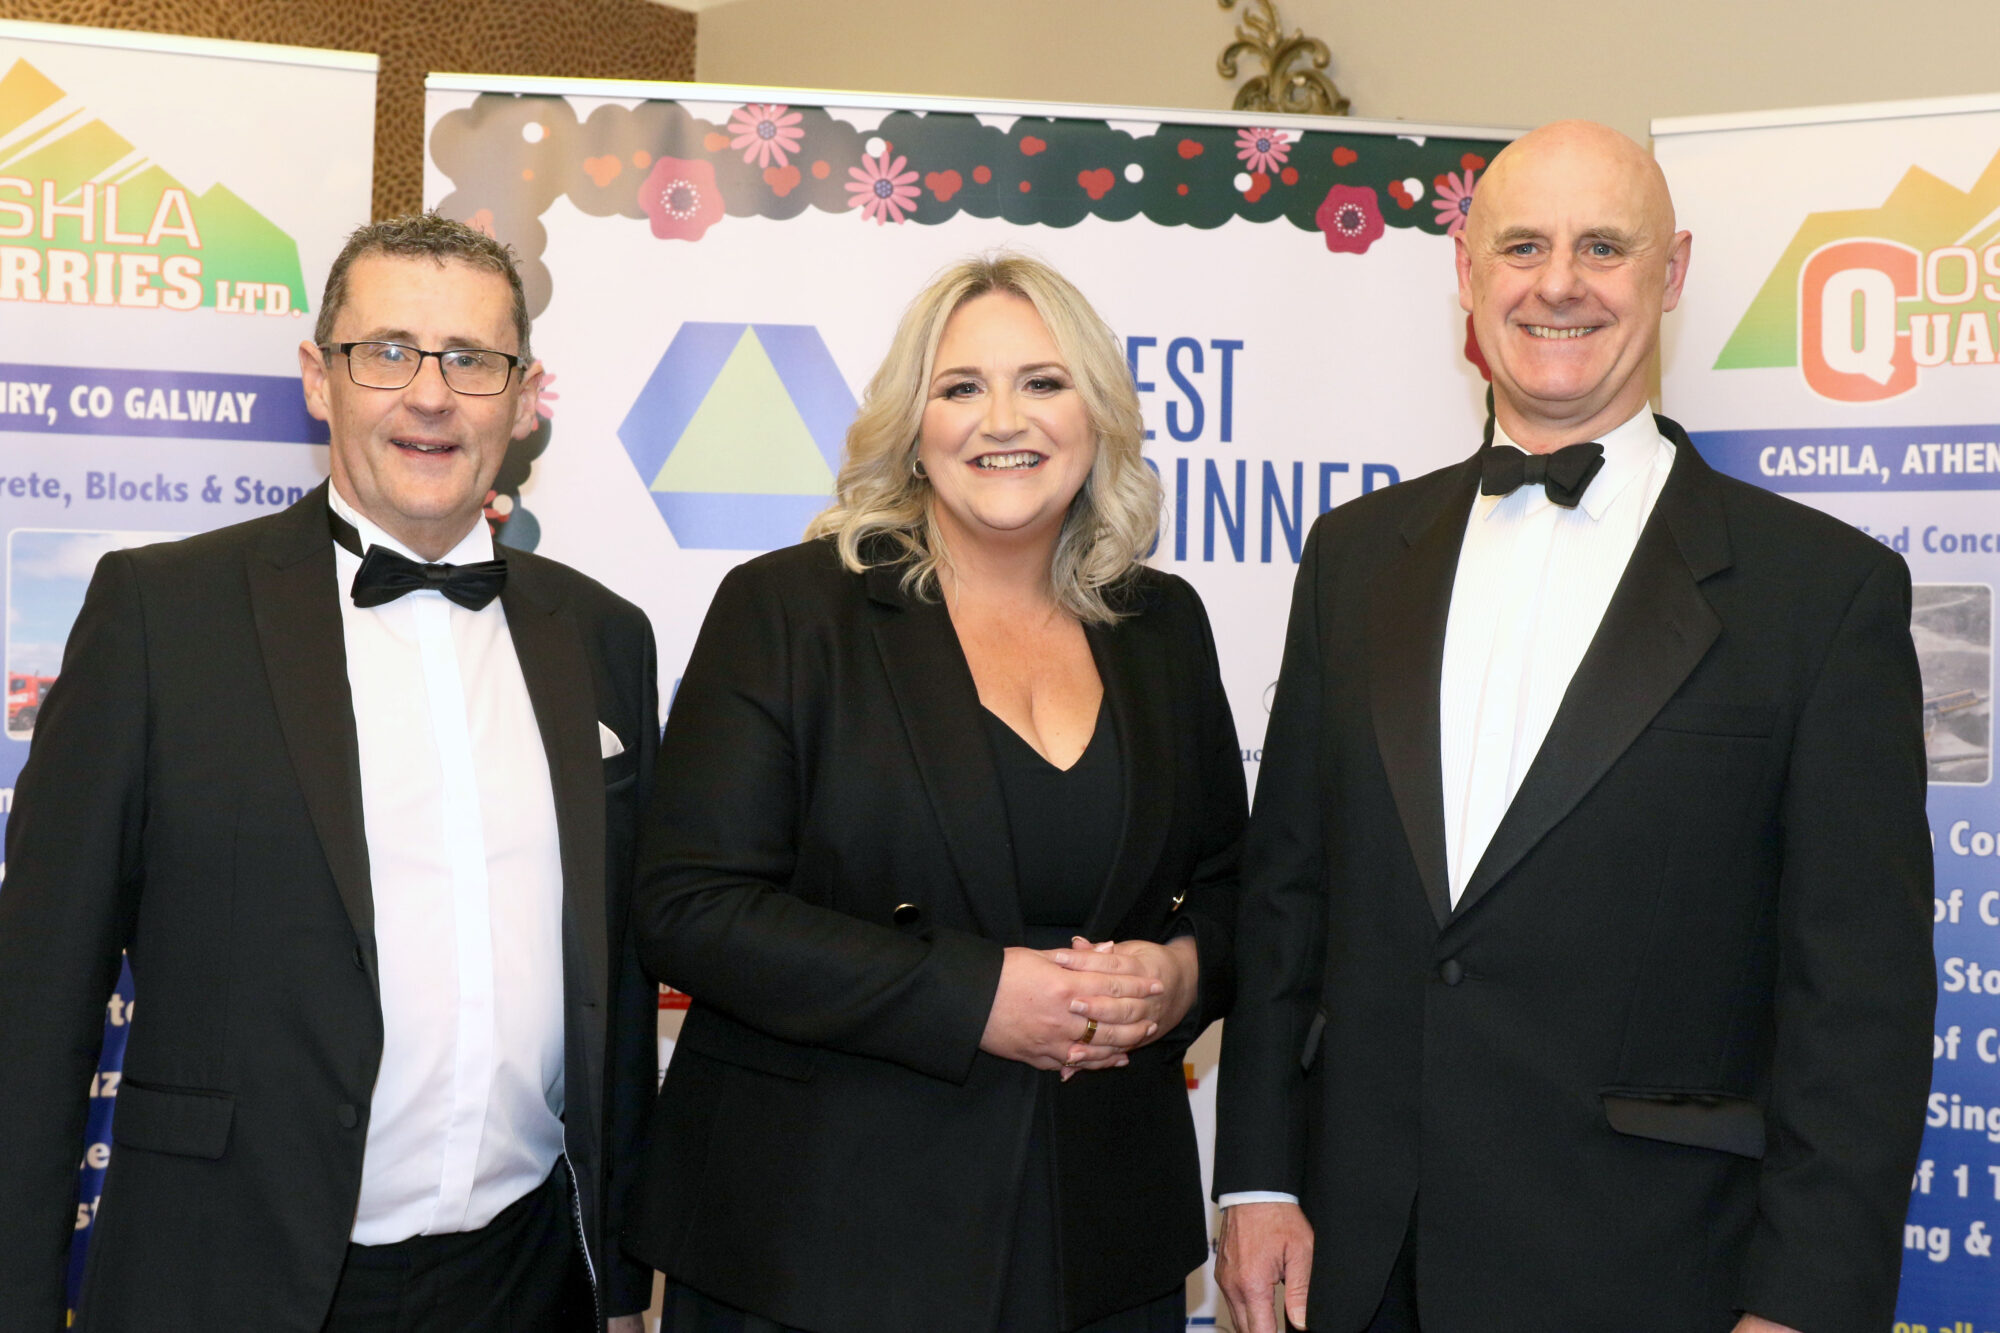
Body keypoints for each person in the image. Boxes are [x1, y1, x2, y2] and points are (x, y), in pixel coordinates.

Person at [1214, 121, 1935, 1333]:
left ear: (1672, 270)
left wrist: (1805, 1302)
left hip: (1656, 1269)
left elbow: (1857, 999)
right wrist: (1256, 1176)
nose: (1557, 284)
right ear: (1465, 271)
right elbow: (1287, 899)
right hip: (1362, 1262)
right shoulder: (1352, 559)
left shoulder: (1820, 594)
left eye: (1602, 246)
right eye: (1522, 246)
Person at [0, 214, 657, 1333]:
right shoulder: (161, 616)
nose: (431, 395)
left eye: (472, 360)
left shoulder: (602, 637)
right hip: (227, 1276)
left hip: (528, 1277)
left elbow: (622, 983)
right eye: (387, 352)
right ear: (319, 377)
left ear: (522, 396)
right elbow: (40, 998)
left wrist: (626, 1278)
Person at [622, 252, 1245, 1333]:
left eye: (1043, 382)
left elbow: (1240, 889)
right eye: (961, 387)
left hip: (1098, 1243)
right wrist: (972, 996)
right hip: (820, 1246)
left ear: (1097, 415)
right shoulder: (790, 611)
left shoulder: (1163, 625)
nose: (1003, 419)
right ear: (912, 429)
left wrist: (1180, 975)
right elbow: (690, 908)